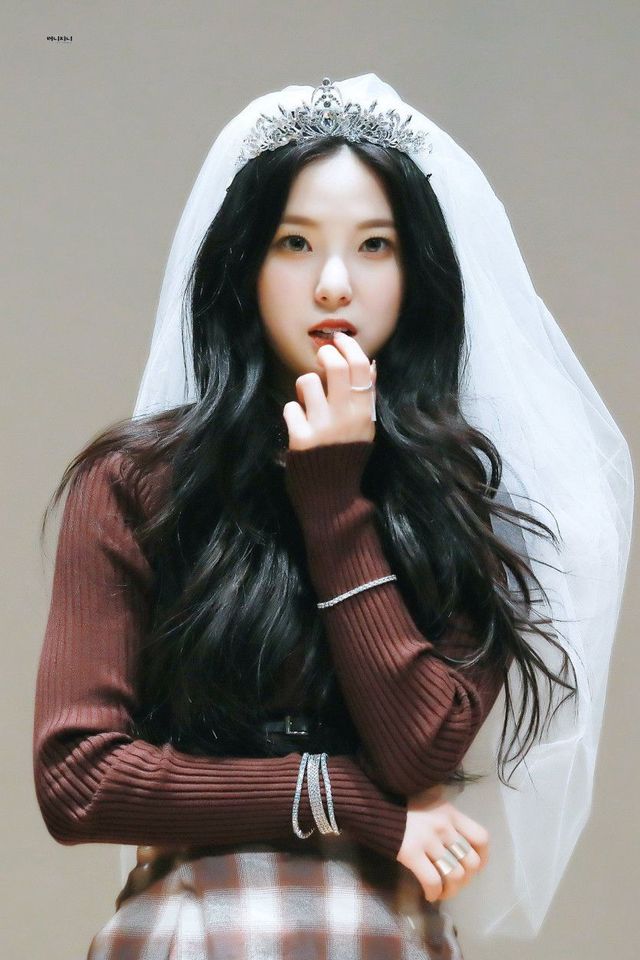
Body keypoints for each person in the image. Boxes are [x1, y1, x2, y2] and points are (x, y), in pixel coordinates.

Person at [33, 74, 633, 957]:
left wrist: (332, 500)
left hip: (382, 933)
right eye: (296, 243)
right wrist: (341, 799)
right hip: (189, 932)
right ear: (246, 262)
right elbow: (78, 781)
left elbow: (418, 753)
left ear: (418, 272)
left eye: (376, 245)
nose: (335, 285)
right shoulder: (135, 483)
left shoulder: (461, 501)